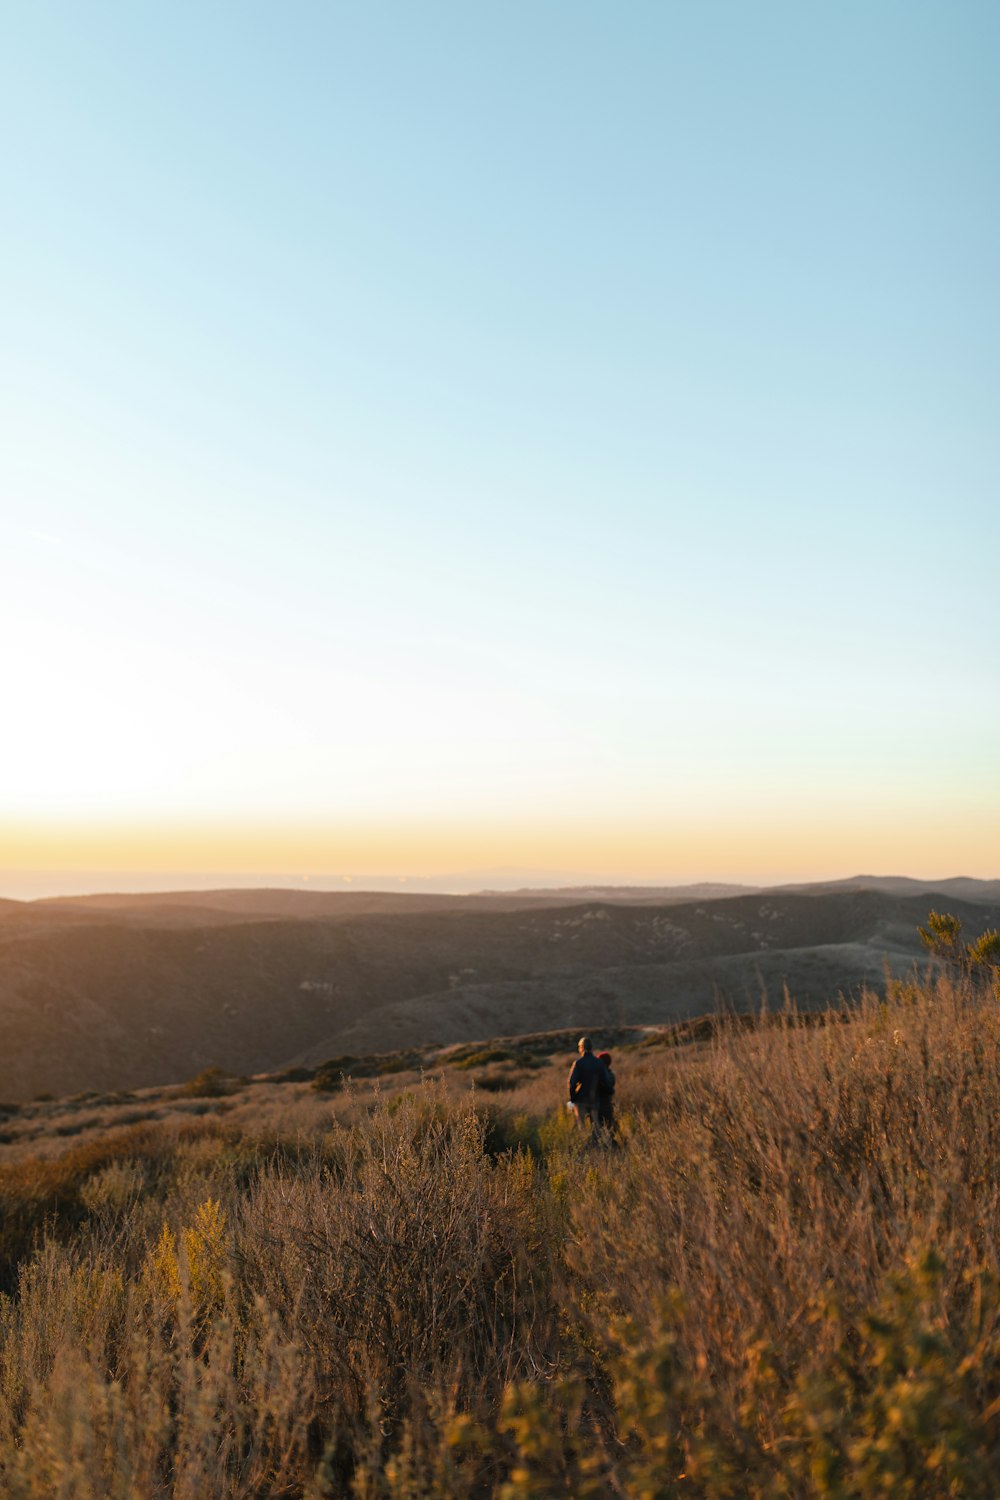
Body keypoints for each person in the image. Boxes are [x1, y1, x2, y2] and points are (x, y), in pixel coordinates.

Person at [568, 1036, 612, 1132]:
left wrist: (573, 1099)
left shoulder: (578, 1063)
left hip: (580, 1100)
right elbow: (606, 1082)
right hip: (594, 1099)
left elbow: (572, 1084)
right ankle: (598, 1144)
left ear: (581, 1047)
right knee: (596, 1126)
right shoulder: (599, 1063)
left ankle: (585, 1145)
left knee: (582, 1127)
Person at [596, 1050, 616, 1134]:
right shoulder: (611, 1074)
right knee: (609, 1128)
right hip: (608, 1105)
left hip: (600, 1106)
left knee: (600, 1130)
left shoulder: (601, 1075)